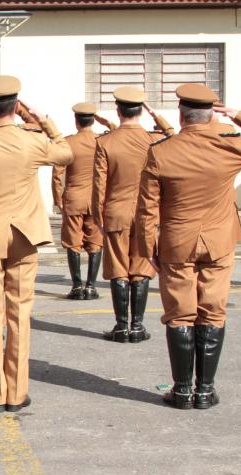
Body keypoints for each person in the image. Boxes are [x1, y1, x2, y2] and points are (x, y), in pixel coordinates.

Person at [136, 84, 241, 410]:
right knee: (212, 311)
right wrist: (239, 116)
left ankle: (182, 391)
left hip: (177, 242)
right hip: (219, 241)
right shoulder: (230, 145)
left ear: (181, 116)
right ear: (212, 115)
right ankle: (205, 390)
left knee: (179, 314)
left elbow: (147, 209)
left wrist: (146, 249)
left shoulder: (162, 152)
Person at [0, 76, 73, 413]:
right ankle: (17, 393)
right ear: (16, 107)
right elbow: (66, 153)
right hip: (24, 236)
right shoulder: (31, 141)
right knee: (19, 315)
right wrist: (42, 119)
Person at [93, 86, 174, 343]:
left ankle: (121, 327)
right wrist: (156, 115)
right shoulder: (155, 140)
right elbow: (174, 137)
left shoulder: (105, 142)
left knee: (118, 269)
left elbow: (99, 186)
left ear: (118, 110)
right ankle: (137, 327)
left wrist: (98, 218)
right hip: (146, 213)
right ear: (141, 111)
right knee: (141, 268)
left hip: (115, 213)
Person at [51, 103, 115, 301]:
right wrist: (106, 122)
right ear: (93, 120)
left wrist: (57, 198)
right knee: (95, 242)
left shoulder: (68, 142)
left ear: (76, 121)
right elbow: (118, 132)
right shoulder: (103, 140)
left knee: (73, 242)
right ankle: (91, 286)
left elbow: (57, 173)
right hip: (97, 200)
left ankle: (77, 286)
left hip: (74, 198)